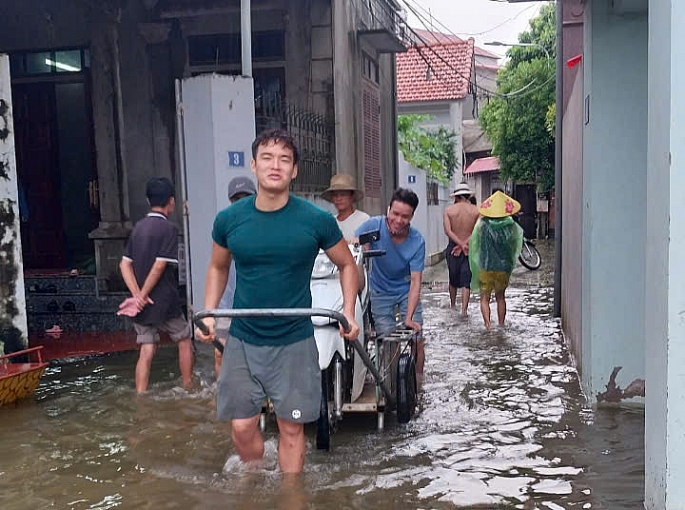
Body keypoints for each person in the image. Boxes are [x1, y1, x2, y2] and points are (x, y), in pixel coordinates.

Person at [195, 128, 360, 474]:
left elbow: (347, 264)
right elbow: (217, 266)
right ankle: (256, 474)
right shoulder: (229, 220)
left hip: (295, 340)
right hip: (244, 338)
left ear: (294, 170)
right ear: (254, 166)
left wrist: (348, 311)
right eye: (267, 158)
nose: (275, 166)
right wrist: (209, 313)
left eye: (284, 160)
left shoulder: (316, 220)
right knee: (241, 427)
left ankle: (289, 497)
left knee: (291, 427)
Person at [119, 177, 194, 394]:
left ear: (147, 200)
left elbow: (124, 264)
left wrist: (137, 296)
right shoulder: (169, 229)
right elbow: (160, 266)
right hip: (164, 300)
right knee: (183, 338)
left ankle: (140, 393)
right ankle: (188, 386)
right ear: (171, 202)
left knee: (147, 347)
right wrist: (142, 294)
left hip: (142, 304)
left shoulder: (138, 228)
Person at [354, 188, 426, 379]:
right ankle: (391, 381)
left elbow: (416, 281)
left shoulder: (417, 241)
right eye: (395, 213)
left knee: (416, 338)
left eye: (404, 216)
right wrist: (361, 248)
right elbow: (354, 246)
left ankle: (418, 383)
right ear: (388, 210)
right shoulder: (374, 227)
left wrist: (409, 318)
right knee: (386, 340)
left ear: (411, 217)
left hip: (405, 289)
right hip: (379, 290)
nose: (398, 220)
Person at [213, 175, 257, 379]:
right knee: (220, 353)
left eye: (245, 198)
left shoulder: (263, 226)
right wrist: (209, 311)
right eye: (236, 199)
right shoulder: (225, 226)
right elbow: (216, 268)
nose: (241, 203)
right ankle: (222, 394)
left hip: (255, 304)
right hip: (227, 304)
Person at [468, 190, 524, 329]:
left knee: (484, 298)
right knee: (500, 297)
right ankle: (501, 324)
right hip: (503, 267)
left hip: (485, 266)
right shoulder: (511, 226)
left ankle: (488, 325)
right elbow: (514, 246)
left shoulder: (482, 225)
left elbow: (474, 244)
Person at [443, 183, 480, 315]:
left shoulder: (449, 211)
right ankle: (464, 310)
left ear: (456, 197)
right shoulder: (476, 211)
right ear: (468, 196)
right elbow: (477, 231)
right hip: (470, 249)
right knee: (466, 280)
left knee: (452, 278)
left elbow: (448, 231)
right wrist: (465, 245)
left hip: (453, 248)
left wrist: (459, 244)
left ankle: (453, 305)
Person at [320, 174, 370, 241]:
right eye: (335, 195)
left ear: (351, 197)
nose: (339, 199)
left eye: (343, 195)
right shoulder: (330, 222)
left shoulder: (364, 219)